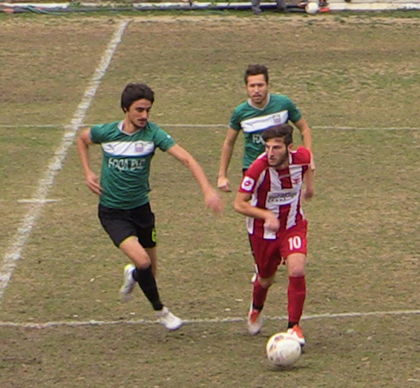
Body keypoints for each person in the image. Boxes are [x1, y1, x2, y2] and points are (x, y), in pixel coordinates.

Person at [76, 83, 223, 331]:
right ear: (126, 109)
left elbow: (187, 158)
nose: (144, 115)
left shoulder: (153, 135)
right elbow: (83, 138)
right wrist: (88, 171)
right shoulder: (107, 133)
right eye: (139, 110)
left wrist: (207, 189)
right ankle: (161, 311)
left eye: (148, 110)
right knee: (143, 261)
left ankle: (133, 275)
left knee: (150, 271)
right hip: (113, 212)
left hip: (142, 210)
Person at [233, 124, 314, 343]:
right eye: (267, 147)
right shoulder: (257, 169)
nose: (270, 153)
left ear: (289, 147)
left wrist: (309, 188)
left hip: (293, 225)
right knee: (266, 279)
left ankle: (294, 327)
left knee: (296, 270)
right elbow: (239, 204)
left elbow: (309, 164)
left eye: (276, 148)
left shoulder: (301, 158)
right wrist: (265, 215)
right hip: (263, 232)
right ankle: (256, 308)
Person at [217, 64, 314, 193]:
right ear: (246, 87)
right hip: (253, 168)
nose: (256, 90)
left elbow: (304, 129)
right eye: (252, 86)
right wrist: (222, 176)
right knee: (257, 208)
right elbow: (229, 143)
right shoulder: (240, 112)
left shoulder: (283, 104)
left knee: (282, 206)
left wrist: (309, 157)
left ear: (267, 85)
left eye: (260, 85)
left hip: (281, 166)